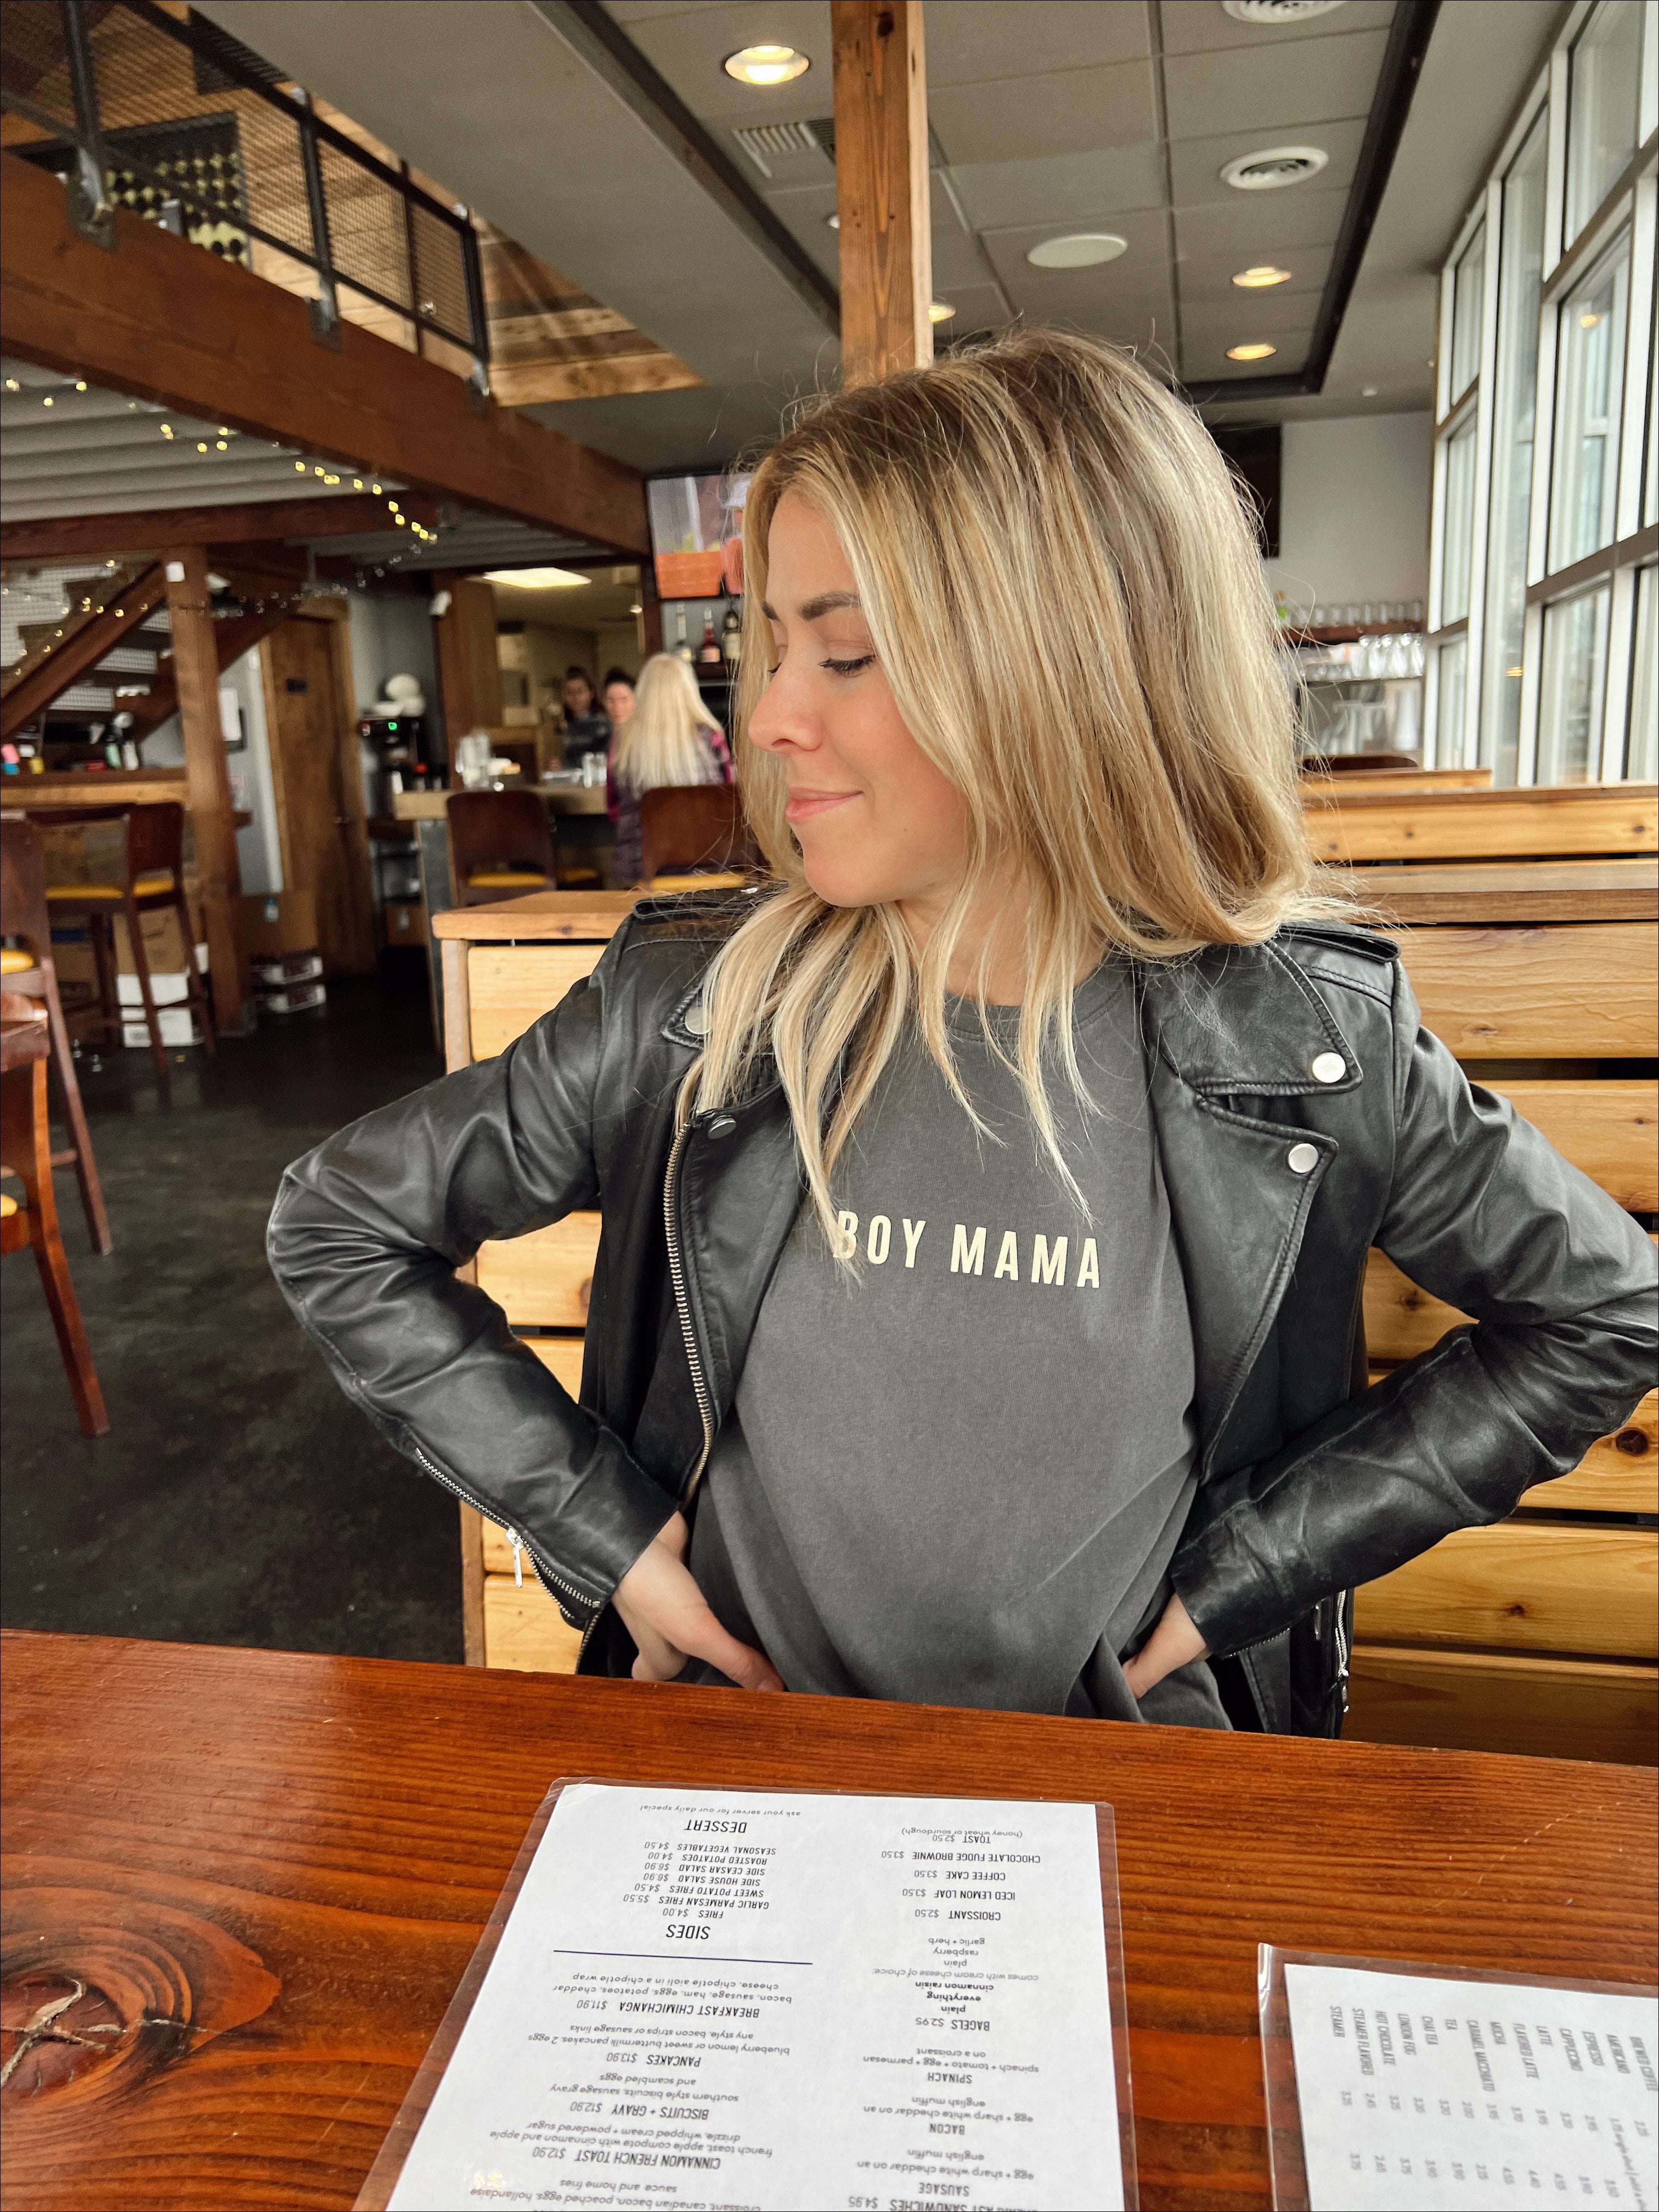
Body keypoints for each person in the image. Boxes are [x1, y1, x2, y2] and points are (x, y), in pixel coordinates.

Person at [269, 331, 1655, 1735]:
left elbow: (1607, 1311)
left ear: (1065, 676)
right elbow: (340, 1225)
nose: (773, 720)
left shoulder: (1302, 1043)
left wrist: (1252, 1572)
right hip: (748, 1785)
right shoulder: (694, 1013)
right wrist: (604, 1538)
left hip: (1128, 1799)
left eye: (849, 654)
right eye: (772, 651)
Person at [605, 651, 732, 887]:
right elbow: (728, 800)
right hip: (707, 868)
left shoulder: (622, 739)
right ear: (688, 690)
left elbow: (614, 808)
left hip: (641, 873)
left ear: (643, 692)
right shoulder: (711, 737)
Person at [557, 667, 610, 768]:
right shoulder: (564, 726)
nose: (575, 697)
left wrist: (566, 766)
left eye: (580, 692)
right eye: (570, 693)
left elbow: (599, 760)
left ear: (591, 693)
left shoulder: (601, 724)